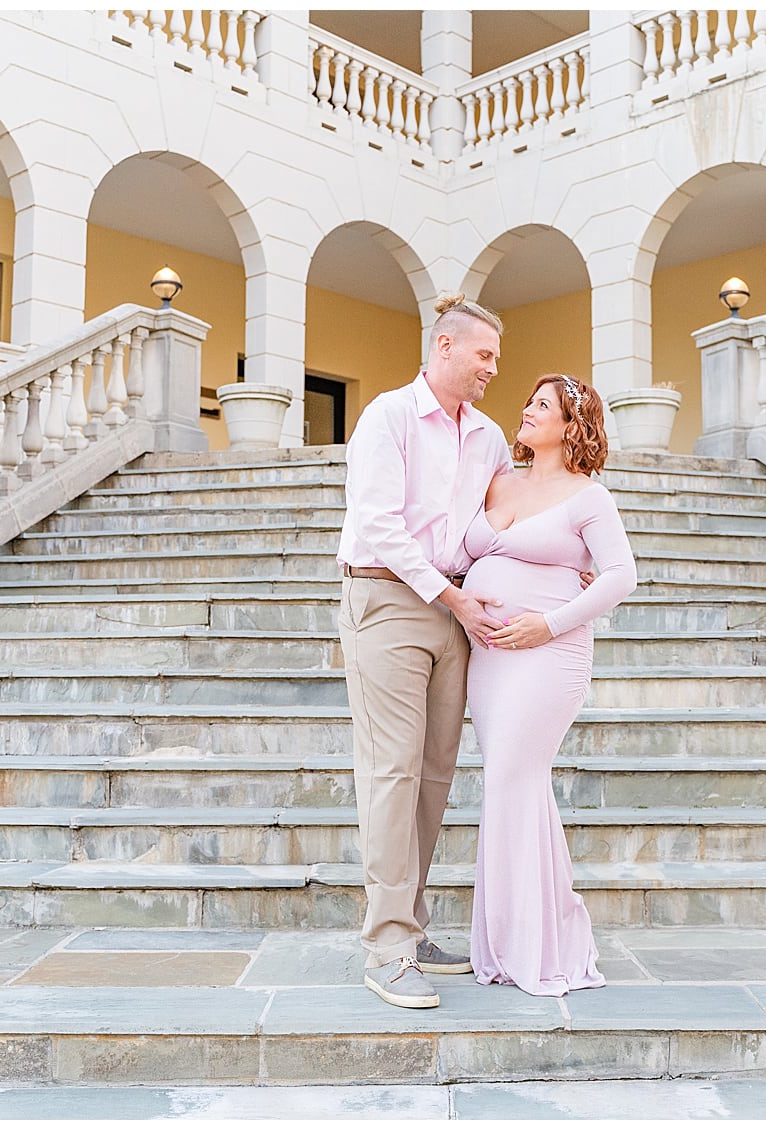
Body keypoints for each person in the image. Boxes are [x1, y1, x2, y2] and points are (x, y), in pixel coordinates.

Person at [336, 292, 515, 1009]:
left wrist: (577, 556)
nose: (492, 369)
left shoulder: (493, 437)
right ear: (445, 347)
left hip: (454, 609)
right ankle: (385, 947)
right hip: (386, 600)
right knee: (392, 770)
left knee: (436, 774)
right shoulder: (388, 416)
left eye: (496, 359)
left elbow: (511, 515)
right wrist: (450, 595)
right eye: (484, 355)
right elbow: (377, 526)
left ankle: (409, 925)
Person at [464, 374, 637, 997]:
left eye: (544, 405)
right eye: (529, 399)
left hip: (549, 657)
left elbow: (621, 576)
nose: (528, 410)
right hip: (489, 661)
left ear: (572, 426)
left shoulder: (588, 497)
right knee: (509, 789)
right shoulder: (497, 481)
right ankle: (513, 942)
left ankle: (534, 947)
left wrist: (549, 624)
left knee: (513, 778)